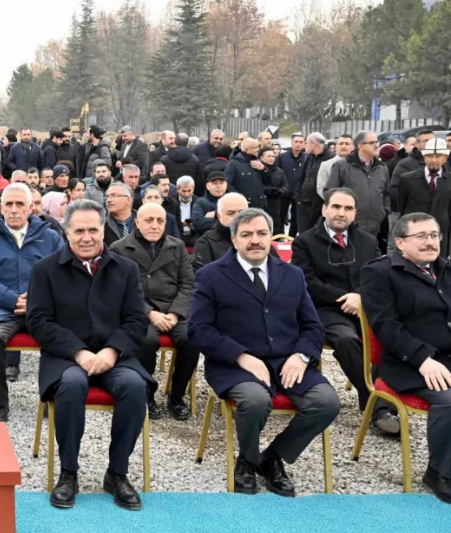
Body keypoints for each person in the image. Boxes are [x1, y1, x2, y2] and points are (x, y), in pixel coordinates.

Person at [189, 208, 340, 497]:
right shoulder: (211, 276)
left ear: (271, 237)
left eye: (261, 233)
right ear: (234, 240)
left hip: (288, 362)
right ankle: (246, 459)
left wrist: (302, 356)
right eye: (246, 235)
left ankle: (271, 458)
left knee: (327, 402)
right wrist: (240, 356)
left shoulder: (292, 274)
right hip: (235, 364)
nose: (255, 240)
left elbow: (313, 326)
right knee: (255, 401)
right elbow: (199, 330)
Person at [27, 199, 152, 511]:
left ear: (103, 231)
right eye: (79, 230)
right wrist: (78, 352)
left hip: (115, 356)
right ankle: (68, 472)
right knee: (71, 385)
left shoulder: (126, 269)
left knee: (135, 387)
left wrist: (112, 350)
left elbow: (137, 319)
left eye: (93, 230)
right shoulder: (45, 270)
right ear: (66, 232)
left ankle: (117, 473)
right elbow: (39, 320)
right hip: (66, 357)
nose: (86, 237)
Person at [291, 187, 397, 436]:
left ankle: (384, 400)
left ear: (354, 213)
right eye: (336, 207)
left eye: (348, 208)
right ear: (324, 209)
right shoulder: (304, 241)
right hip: (325, 309)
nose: (342, 213)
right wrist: (344, 298)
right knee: (347, 340)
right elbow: (306, 281)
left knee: (390, 335)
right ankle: (376, 405)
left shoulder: (368, 241)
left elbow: (378, 276)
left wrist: (359, 295)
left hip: (364, 306)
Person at [361, 212, 451, 502]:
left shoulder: (447, 270)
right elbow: (386, 327)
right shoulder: (380, 272)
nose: (430, 242)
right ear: (400, 242)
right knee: (449, 399)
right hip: (408, 363)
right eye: (421, 236)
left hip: (447, 358)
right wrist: (423, 360)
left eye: (434, 235)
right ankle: (440, 472)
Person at [0, 184, 63, 421]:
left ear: (31, 207)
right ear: (1, 208)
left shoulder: (51, 237)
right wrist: (12, 299)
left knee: (62, 335)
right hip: (2, 310)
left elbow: (65, 275)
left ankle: (50, 395)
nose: (14, 209)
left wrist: (37, 301)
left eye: (19, 204)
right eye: (8, 204)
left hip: (43, 310)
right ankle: (0, 402)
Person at [110, 202, 198, 421]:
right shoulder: (119, 248)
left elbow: (188, 284)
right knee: (146, 340)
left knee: (192, 339)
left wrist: (176, 313)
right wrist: (150, 314)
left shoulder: (176, 245)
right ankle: (147, 392)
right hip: (139, 310)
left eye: (160, 221)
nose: (154, 225)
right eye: (149, 220)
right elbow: (120, 291)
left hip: (172, 309)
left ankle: (176, 395)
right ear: (137, 222)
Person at [325, 131, 389, 238]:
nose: (377, 145)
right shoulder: (342, 166)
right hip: (348, 226)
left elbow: (386, 193)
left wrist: (384, 211)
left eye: (377, 142)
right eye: (372, 142)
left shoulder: (382, 168)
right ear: (360, 146)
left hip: (374, 226)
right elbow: (330, 192)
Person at [397, 137, 451, 255]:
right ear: (424, 157)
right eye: (430, 156)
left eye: (438, 156)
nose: (433, 160)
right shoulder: (407, 179)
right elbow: (402, 207)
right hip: (413, 235)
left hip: (440, 236)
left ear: (445, 158)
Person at [193, 193, 249, 271]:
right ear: (219, 216)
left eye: (242, 212)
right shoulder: (205, 243)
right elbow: (203, 278)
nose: (237, 217)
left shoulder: (258, 240)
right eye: (230, 213)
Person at [295, 133, 334, 232]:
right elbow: (301, 178)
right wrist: (298, 198)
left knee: (317, 236)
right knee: (303, 235)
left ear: (314, 144)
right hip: (303, 204)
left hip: (319, 206)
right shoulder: (308, 157)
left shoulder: (331, 158)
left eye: (306, 143)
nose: (304, 145)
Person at [224, 137, 267, 210]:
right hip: (243, 207)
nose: (258, 149)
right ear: (248, 150)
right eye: (256, 147)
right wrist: (239, 198)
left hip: (259, 206)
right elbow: (227, 184)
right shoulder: (233, 164)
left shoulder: (258, 162)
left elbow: (268, 180)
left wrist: (264, 169)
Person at [103, 182, 135, 246]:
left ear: (128, 200)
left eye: (114, 195)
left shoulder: (143, 222)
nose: (108, 200)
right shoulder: (102, 225)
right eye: (107, 197)